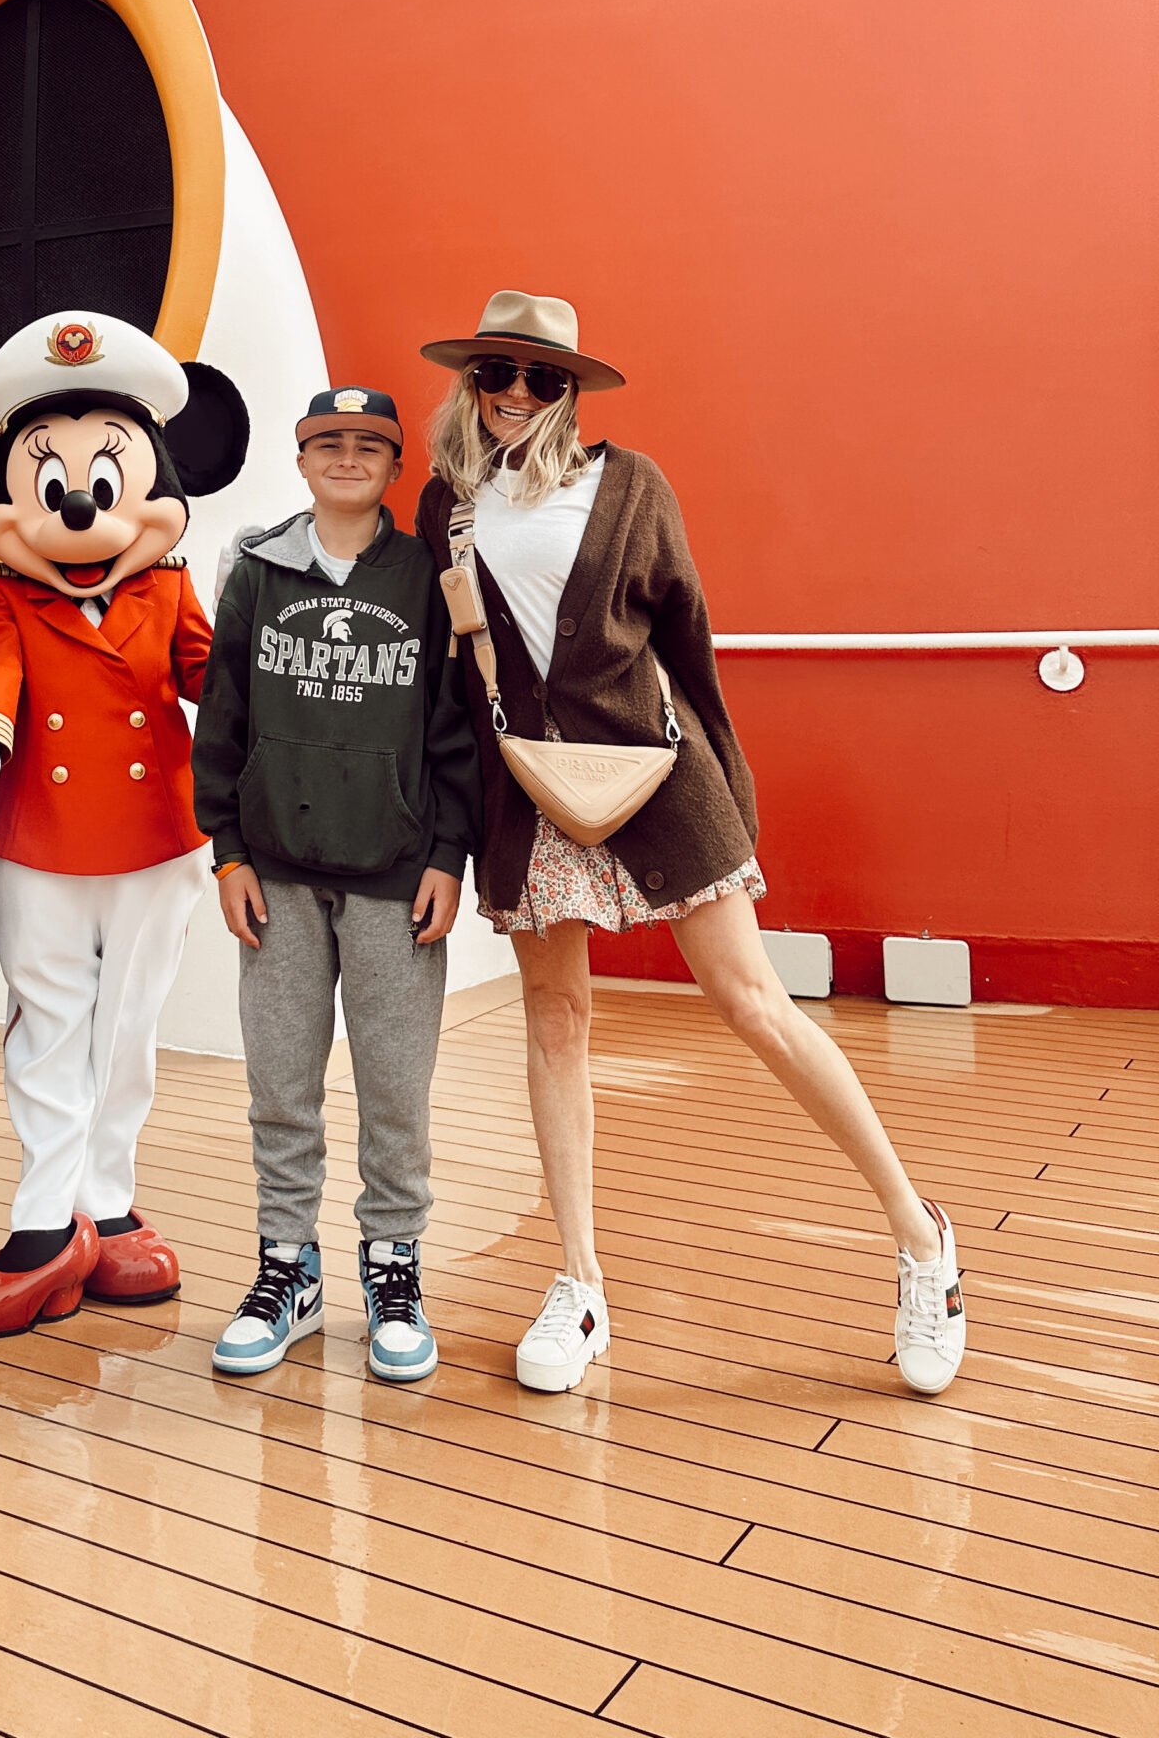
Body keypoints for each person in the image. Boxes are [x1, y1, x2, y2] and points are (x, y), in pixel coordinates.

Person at [415, 290, 967, 1398]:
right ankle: (578, 1283)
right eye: (498, 373)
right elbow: (447, 681)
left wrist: (731, 800)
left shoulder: (632, 486)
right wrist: (449, 829)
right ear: (470, 382)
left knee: (754, 1001)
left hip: (662, 779)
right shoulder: (447, 505)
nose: (517, 394)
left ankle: (922, 1241)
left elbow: (690, 644)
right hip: (529, 792)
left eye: (542, 377)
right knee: (556, 1020)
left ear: (572, 391)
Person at [0, 311, 249, 1336]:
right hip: (41, 839)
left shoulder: (172, 585)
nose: (82, 509)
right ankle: (44, 1223)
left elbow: (209, 675)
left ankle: (108, 1197)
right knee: (48, 1026)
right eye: (51, 486)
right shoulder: (11, 599)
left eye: (108, 480)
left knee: (130, 1026)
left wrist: (278, 698)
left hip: (157, 837)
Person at [194, 388, 480, 1383]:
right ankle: (289, 1269)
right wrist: (226, 849)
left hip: (396, 878)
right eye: (329, 443)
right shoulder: (259, 570)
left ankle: (394, 1268)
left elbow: (455, 727)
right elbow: (221, 717)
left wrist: (448, 853)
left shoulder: (427, 577)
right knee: (281, 1087)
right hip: (273, 871)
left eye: (369, 444)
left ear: (396, 464)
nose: (348, 457)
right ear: (302, 456)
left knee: (395, 1089)